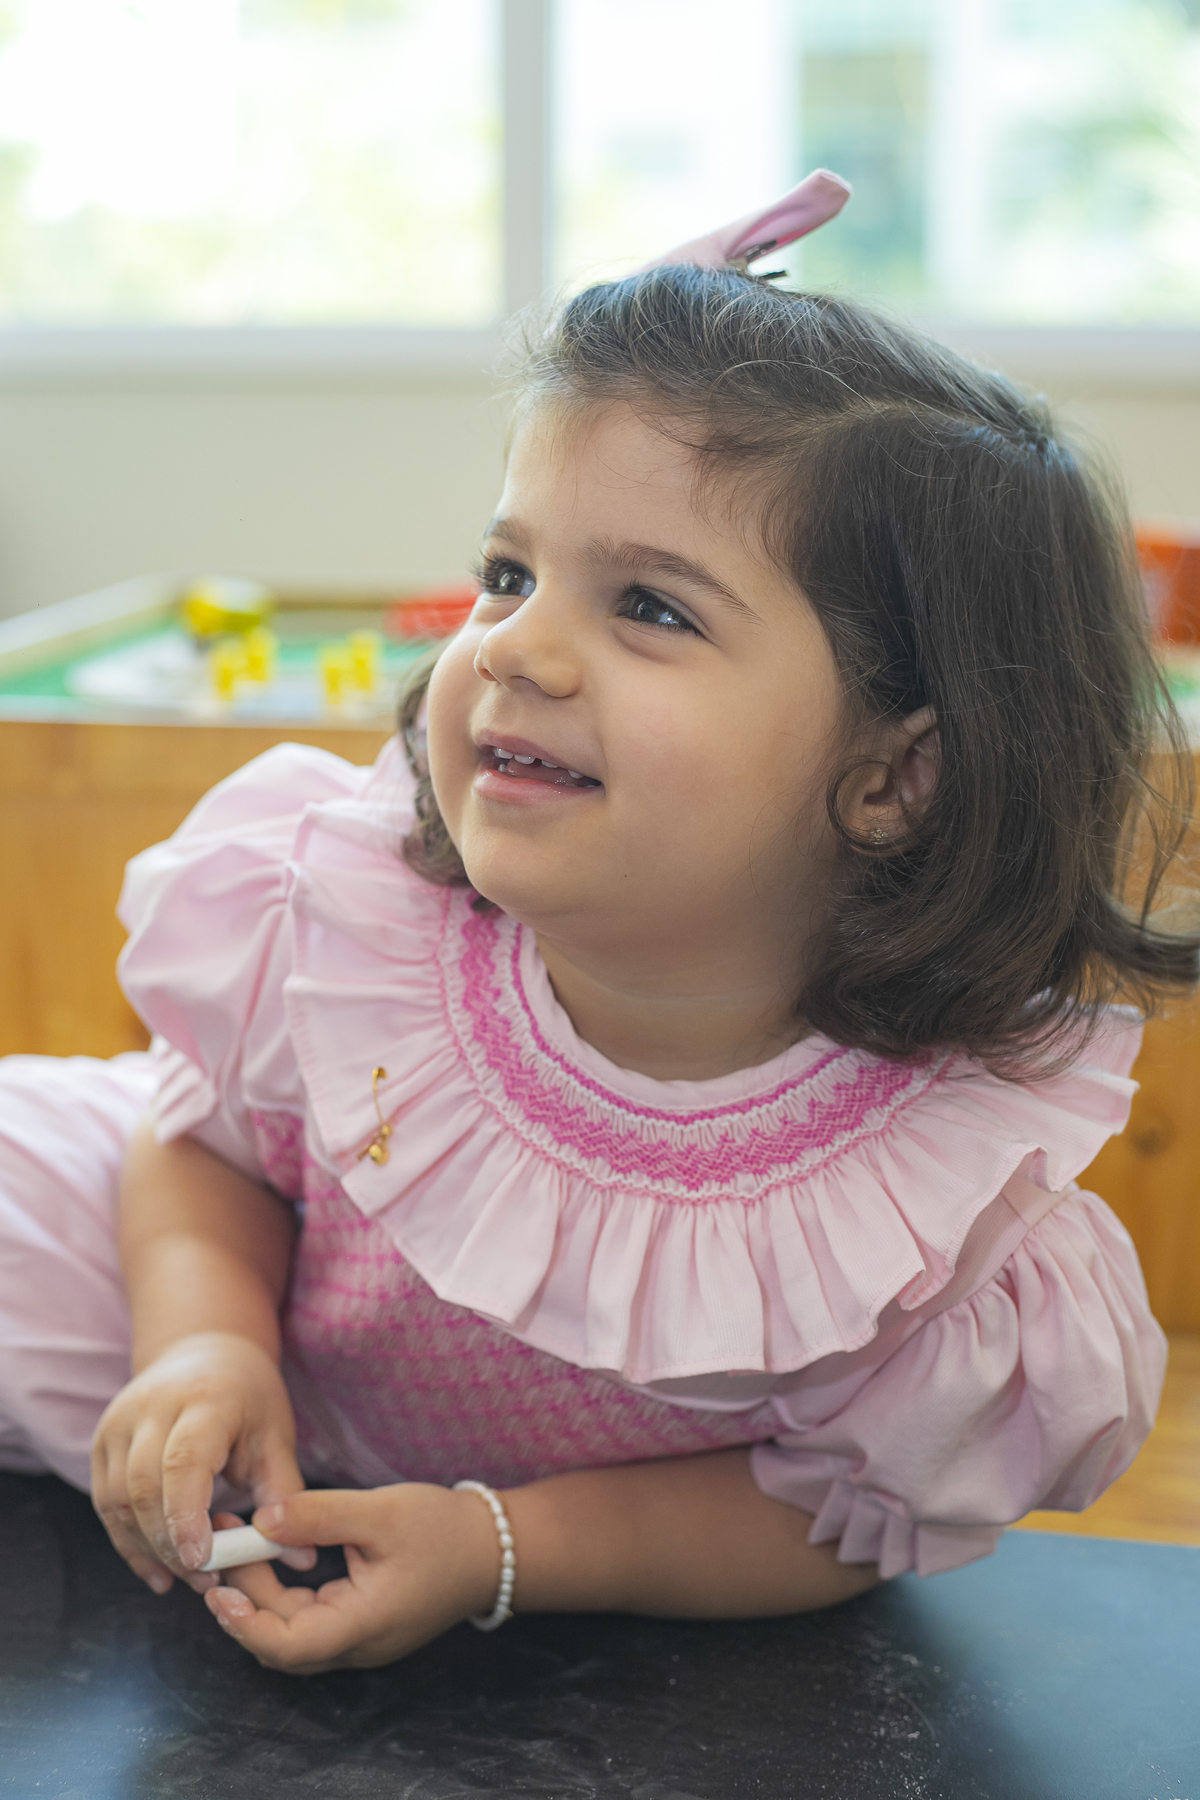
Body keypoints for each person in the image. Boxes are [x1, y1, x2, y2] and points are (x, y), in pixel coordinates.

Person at [0, 176, 1192, 1677]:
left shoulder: (925, 1204)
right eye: (510, 574)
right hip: (217, 1347)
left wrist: (496, 1549)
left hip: (529, 1531)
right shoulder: (370, 933)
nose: (517, 648)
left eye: (652, 608)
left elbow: (835, 1515)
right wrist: (204, 1346)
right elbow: (199, 1143)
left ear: (896, 777)